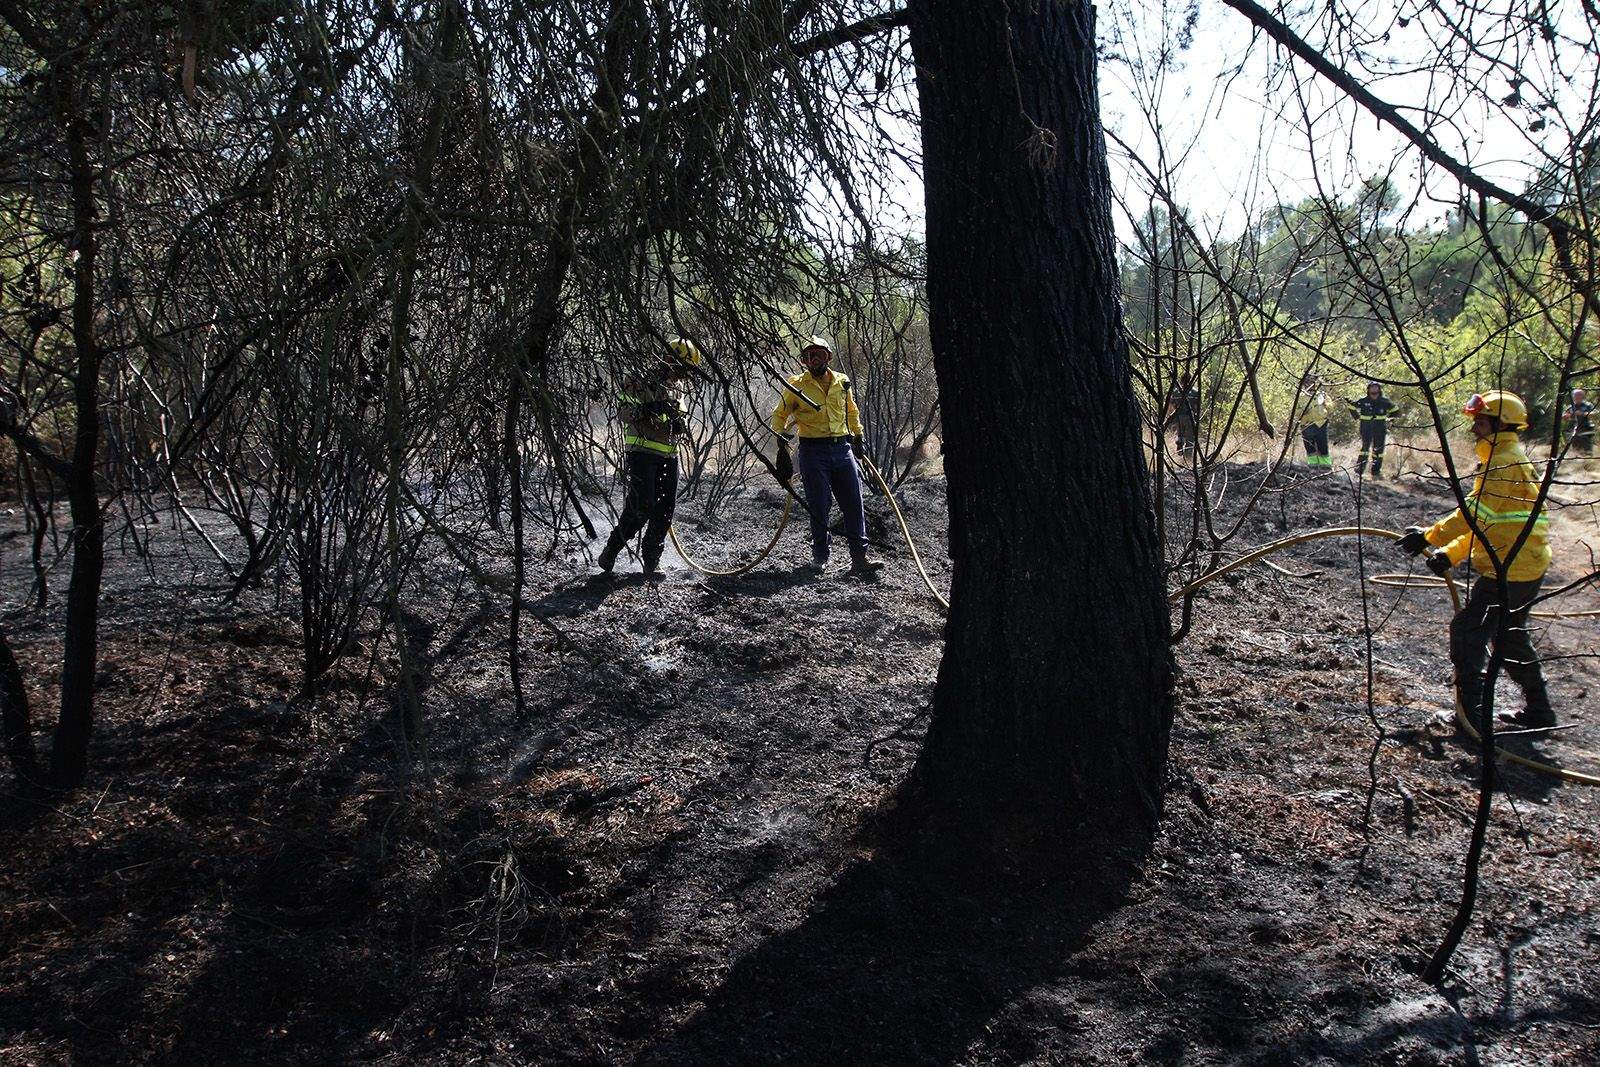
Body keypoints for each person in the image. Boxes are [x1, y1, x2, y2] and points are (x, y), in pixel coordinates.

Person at [1395, 389, 1554, 730]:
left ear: (1500, 425)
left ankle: (1471, 715)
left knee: (1468, 631)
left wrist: (1429, 537)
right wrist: (1449, 555)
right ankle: (1540, 709)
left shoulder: (1502, 463)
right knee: (1509, 636)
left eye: (1480, 423)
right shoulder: (1506, 459)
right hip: (1523, 564)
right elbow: (1487, 525)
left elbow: (1473, 515)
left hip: (1509, 568)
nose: (1474, 430)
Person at [770, 335, 883, 579]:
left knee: (853, 503)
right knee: (819, 505)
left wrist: (858, 436)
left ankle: (859, 558)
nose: (813, 360)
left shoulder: (842, 382)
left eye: (818, 354)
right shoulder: (796, 384)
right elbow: (779, 414)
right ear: (804, 360)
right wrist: (780, 438)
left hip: (843, 450)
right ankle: (820, 556)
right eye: (808, 356)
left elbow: (851, 411)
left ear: (828, 356)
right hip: (812, 451)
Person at [596, 337, 700, 577]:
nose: (681, 377)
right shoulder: (637, 379)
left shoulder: (677, 387)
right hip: (642, 452)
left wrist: (679, 424)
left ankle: (652, 562)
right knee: (641, 506)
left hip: (669, 455)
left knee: (664, 510)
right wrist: (648, 409)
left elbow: (678, 416)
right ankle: (612, 550)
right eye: (681, 370)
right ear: (670, 361)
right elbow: (623, 412)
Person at [1346, 380, 1398, 478]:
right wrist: (1356, 416)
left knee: (1378, 451)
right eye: (1372, 387)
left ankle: (1376, 472)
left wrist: (1390, 421)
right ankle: (1359, 470)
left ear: (1379, 389)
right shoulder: (1363, 401)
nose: (1374, 388)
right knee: (1365, 449)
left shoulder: (1385, 401)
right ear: (1368, 389)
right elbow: (1351, 406)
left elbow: (1395, 410)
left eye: (1376, 387)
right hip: (1366, 428)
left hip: (1380, 429)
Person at [1299, 385, 1333, 470]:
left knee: (1323, 447)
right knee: (1310, 448)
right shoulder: (1301, 397)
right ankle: (1313, 468)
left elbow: (1331, 408)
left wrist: (1326, 404)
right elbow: (1296, 411)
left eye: (1312, 381)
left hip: (1321, 424)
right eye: (1307, 381)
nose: (1310, 384)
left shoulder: (1322, 394)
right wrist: (1302, 412)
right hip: (1306, 425)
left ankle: (1326, 469)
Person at [1164, 379, 1200, 455]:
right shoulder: (1195, 392)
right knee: (1190, 439)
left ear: (1181, 381)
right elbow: (1197, 408)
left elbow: (1171, 405)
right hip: (1190, 418)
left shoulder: (1176, 392)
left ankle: (1180, 449)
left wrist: (1170, 417)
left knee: (1180, 435)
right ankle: (1187, 458)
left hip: (1178, 418)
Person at [1565, 387, 1594, 456]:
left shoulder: (1588, 405)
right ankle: (1579, 464)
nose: (1577, 397)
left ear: (1582, 396)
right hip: (1574, 430)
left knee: (1587, 450)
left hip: (1586, 430)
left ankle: (1589, 464)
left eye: (1579, 395)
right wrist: (1567, 416)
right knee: (1576, 450)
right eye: (1575, 395)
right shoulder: (1571, 407)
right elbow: (1565, 416)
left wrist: (1582, 414)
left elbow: (1594, 414)